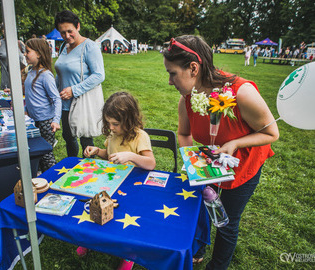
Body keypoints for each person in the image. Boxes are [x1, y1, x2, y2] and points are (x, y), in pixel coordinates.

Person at [162, 35, 279, 269]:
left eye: (172, 73)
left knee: (226, 222)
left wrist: (235, 143)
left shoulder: (242, 93)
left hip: (243, 165)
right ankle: (199, 248)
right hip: (209, 163)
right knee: (204, 208)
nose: (169, 81)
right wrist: (194, 162)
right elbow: (184, 135)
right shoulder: (187, 100)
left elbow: (271, 134)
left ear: (193, 68)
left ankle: (217, 265)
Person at [83, 91, 156, 270]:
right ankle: (89, 240)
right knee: (98, 207)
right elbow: (109, 155)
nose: (112, 127)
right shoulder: (113, 135)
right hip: (112, 182)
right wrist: (97, 151)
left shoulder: (140, 136)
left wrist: (131, 156)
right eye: (109, 123)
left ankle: (129, 253)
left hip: (133, 186)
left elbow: (151, 163)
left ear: (129, 120)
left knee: (126, 219)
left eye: (115, 124)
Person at [54, 10, 105, 157]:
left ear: (78, 26)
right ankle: (72, 167)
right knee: (68, 138)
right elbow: (61, 72)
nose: (66, 36)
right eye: (62, 33)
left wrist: (74, 90)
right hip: (64, 103)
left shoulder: (90, 47)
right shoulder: (64, 47)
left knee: (85, 141)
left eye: (70, 31)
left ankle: (89, 173)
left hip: (81, 102)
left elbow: (99, 75)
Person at [24, 38, 61, 172]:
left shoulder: (45, 75)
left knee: (46, 154)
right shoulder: (31, 71)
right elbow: (29, 95)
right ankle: (40, 177)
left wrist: (56, 120)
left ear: (38, 54)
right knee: (36, 152)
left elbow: (56, 99)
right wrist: (26, 109)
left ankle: (55, 178)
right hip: (33, 121)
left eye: (28, 51)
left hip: (46, 121)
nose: (25, 54)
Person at [0, 23, 26, 90]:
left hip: (21, 81)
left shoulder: (19, 43)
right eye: (5, 29)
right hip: (7, 81)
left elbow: (26, 56)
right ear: (2, 31)